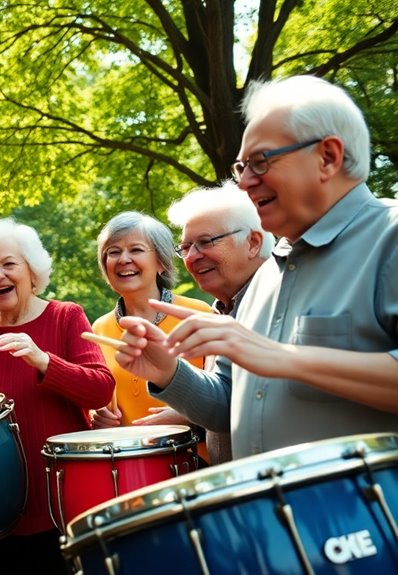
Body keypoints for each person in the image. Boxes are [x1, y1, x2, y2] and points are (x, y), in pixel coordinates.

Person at [115, 75, 398, 460]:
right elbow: (227, 406)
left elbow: (274, 359)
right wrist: (168, 372)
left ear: (328, 157)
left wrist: (284, 357)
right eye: (241, 167)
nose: (245, 182)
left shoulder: (390, 236)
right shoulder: (267, 276)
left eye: (261, 161)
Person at [0, 218, 115, 574]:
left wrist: (43, 361)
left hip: (58, 506)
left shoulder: (66, 316)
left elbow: (100, 388)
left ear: (32, 272)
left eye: (8, 263)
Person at [166, 181, 274, 464]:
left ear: (253, 243)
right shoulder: (223, 311)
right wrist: (164, 370)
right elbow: (225, 407)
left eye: (206, 242)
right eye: (186, 247)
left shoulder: (280, 301)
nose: (192, 257)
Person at [88, 212, 211, 438]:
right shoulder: (98, 329)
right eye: (113, 252)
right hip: (129, 466)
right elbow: (99, 399)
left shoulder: (199, 314)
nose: (123, 259)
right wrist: (97, 415)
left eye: (136, 250)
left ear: (161, 263)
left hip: (194, 460)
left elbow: (229, 394)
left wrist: (188, 413)